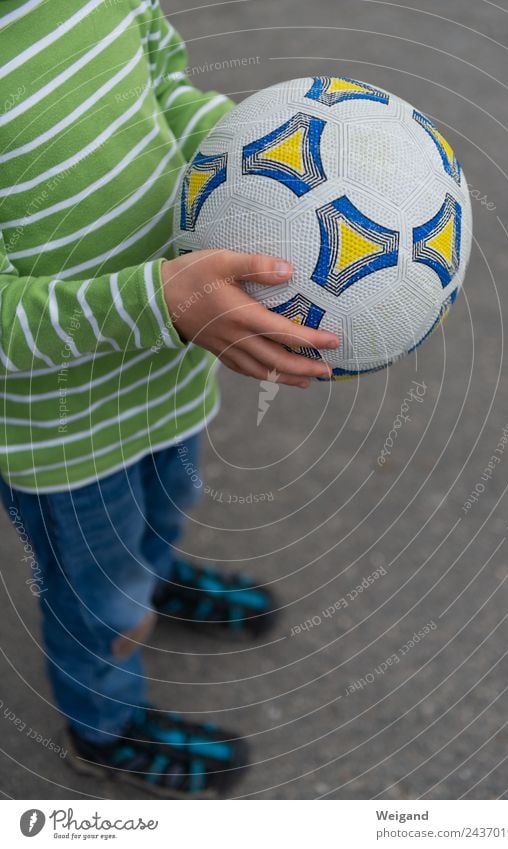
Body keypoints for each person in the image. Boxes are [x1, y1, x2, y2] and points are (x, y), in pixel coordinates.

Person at [0, 0, 340, 797]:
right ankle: (106, 727)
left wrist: (255, 165)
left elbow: (164, 86)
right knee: (95, 594)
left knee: (166, 498)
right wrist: (160, 303)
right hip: (63, 433)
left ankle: (151, 570)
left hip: (174, 363)